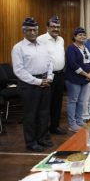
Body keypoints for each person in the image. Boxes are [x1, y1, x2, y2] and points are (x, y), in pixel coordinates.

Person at [12, 17, 54, 152]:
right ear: (23, 31)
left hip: (45, 81)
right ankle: (31, 142)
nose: (32, 32)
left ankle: (42, 139)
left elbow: (50, 63)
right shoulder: (18, 48)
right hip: (29, 85)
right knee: (31, 115)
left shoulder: (43, 46)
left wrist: (50, 76)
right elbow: (19, 70)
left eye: (35, 30)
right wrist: (37, 81)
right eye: (29, 30)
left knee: (44, 113)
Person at [37, 15, 66, 135]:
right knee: (46, 104)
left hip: (59, 75)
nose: (56, 29)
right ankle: (44, 130)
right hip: (47, 76)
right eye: (53, 26)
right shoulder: (41, 39)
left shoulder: (61, 39)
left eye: (58, 27)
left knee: (57, 102)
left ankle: (55, 126)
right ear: (47, 27)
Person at [65, 27, 90, 132]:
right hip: (74, 79)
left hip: (85, 79)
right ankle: (72, 124)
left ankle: (79, 120)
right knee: (73, 101)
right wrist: (86, 74)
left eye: (84, 35)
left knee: (81, 101)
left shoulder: (85, 47)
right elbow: (73, 64)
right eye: (80, 35)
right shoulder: (71, 48)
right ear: (74, 36)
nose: (82, 36)